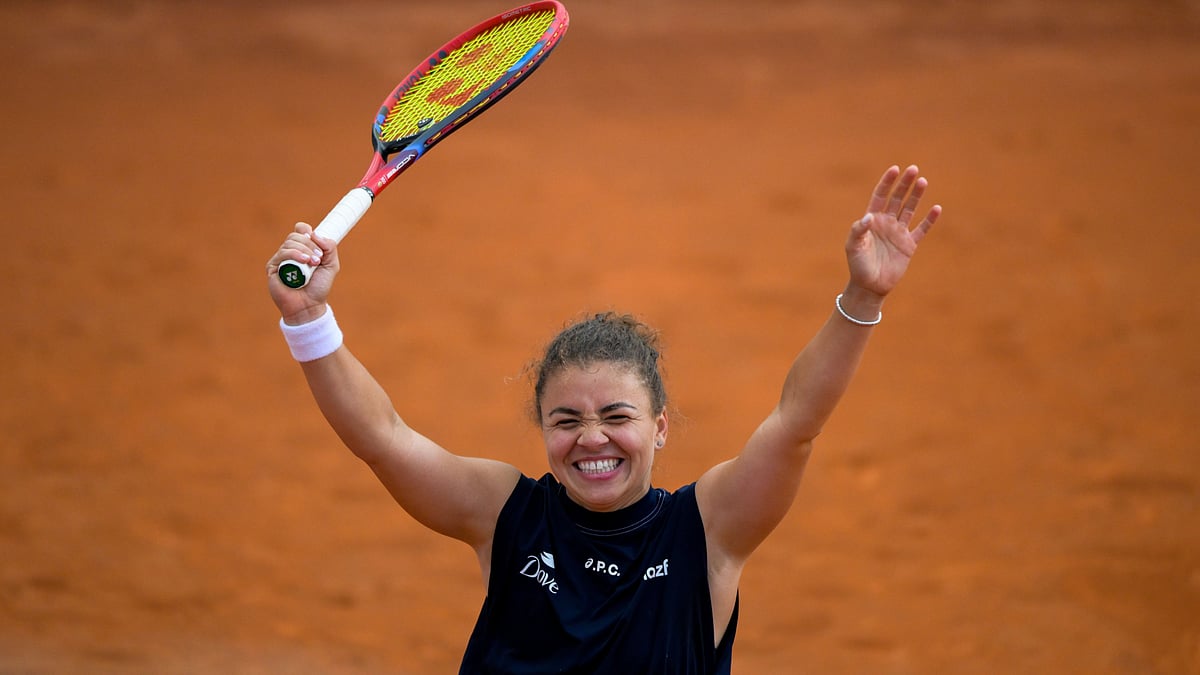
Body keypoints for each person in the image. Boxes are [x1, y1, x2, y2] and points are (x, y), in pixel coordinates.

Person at [266, 165, 940, 673]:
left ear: (660, 426)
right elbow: (382, 439)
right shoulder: (506, 514)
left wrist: (861, 297)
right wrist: (307, 319)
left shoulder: (707, 531)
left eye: (617, 415)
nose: (591, 437)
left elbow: (797, 421)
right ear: (543, 429)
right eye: (566, 419)